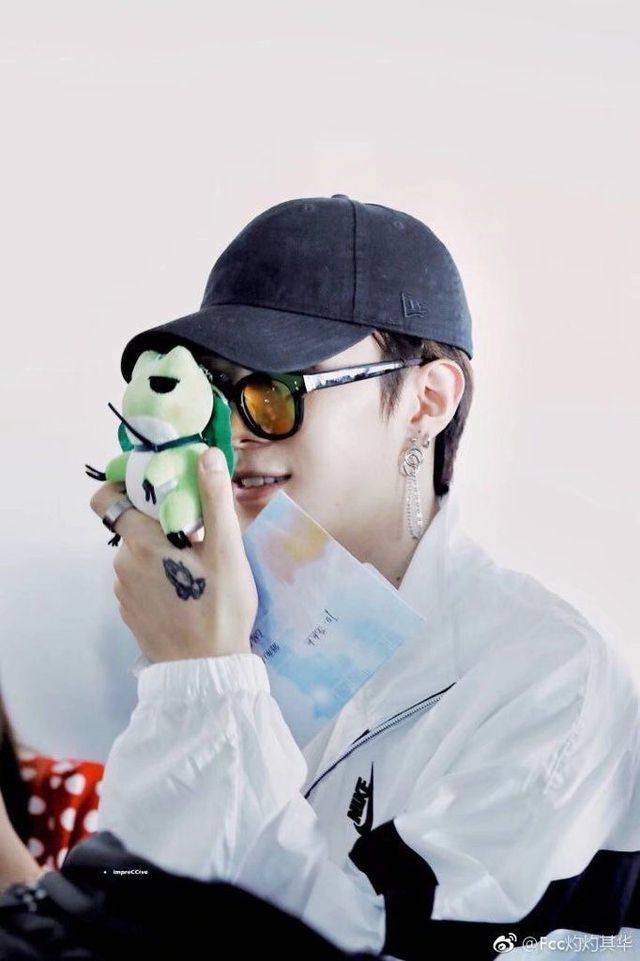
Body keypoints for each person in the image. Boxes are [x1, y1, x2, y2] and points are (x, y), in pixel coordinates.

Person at [1, 194, 638, 960]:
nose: (232, 433)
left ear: (427, 400)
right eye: (214, 391)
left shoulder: (550, 679)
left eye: (274, 391)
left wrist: (205, 679)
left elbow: (365, 944)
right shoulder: (232, 619)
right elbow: (137, 898)